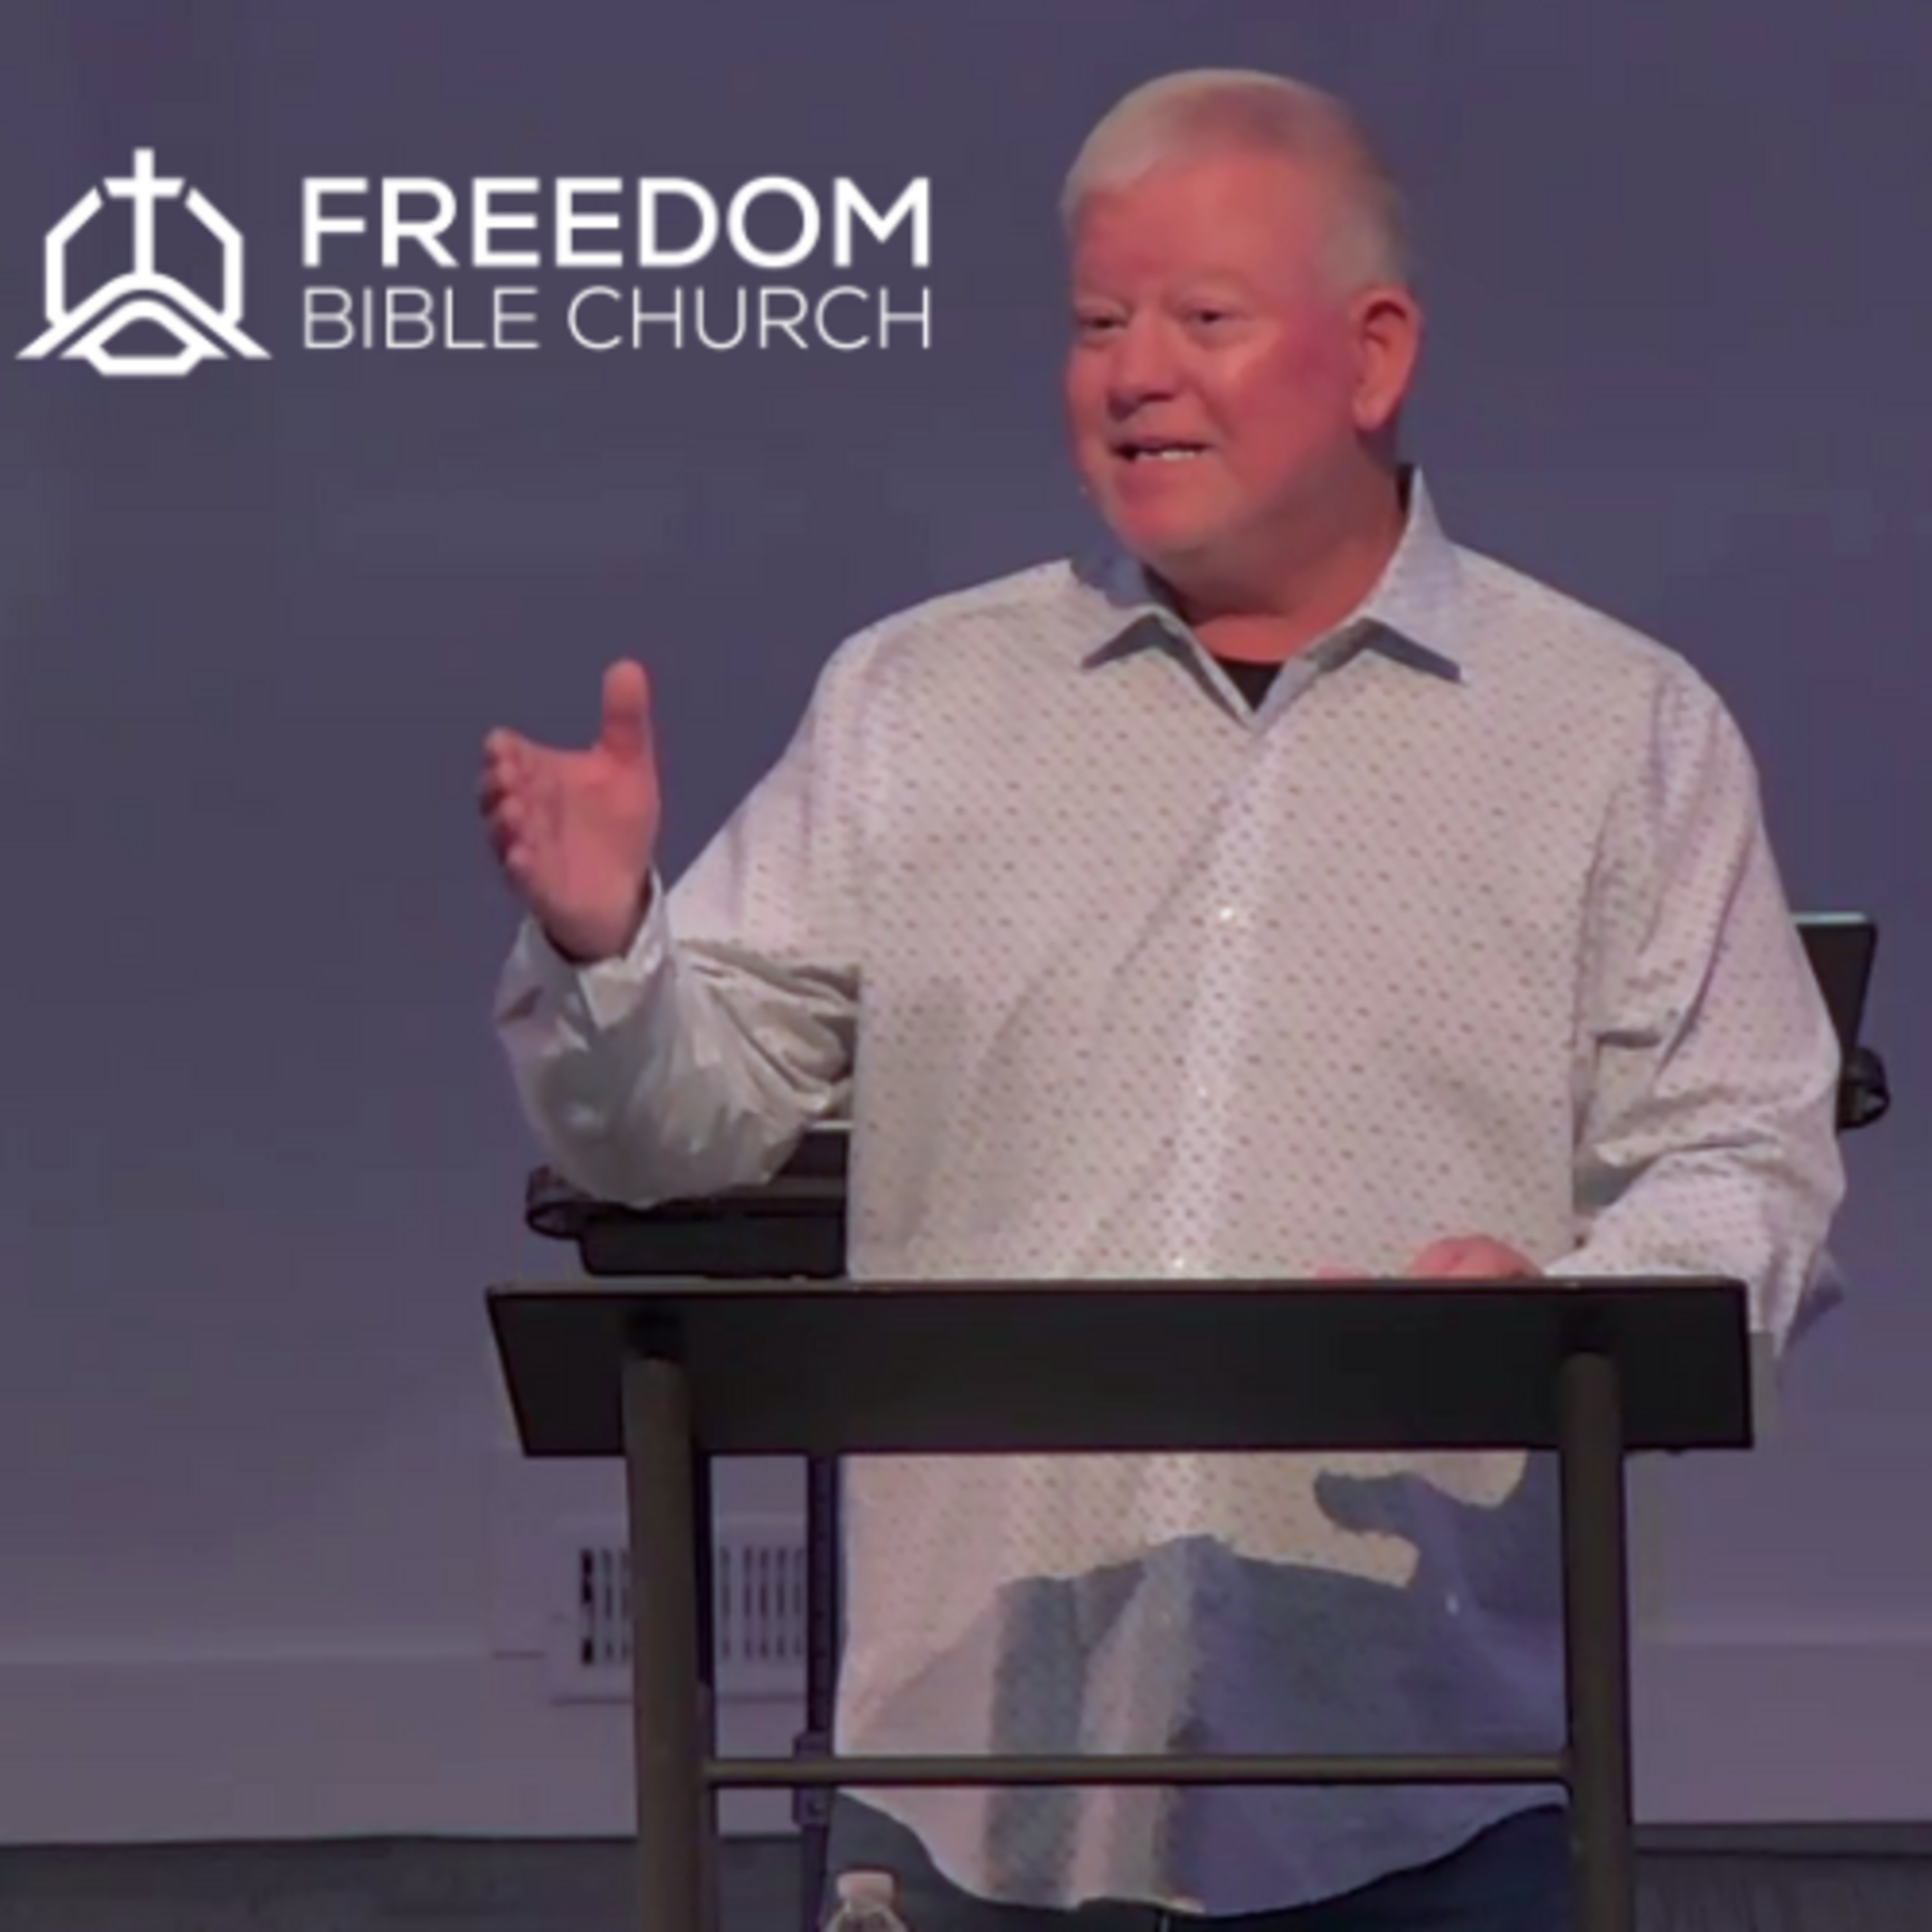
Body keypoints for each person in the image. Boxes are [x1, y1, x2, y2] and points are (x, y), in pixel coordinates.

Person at [480, 68, 1844, 1932]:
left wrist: (1567, 1309)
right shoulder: (914, 703)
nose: (1135, 376)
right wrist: (606, 946)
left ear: (1374, 357)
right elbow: (670, 1127)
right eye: (1097, 323)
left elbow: (1748, 1158)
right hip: (972, 1789)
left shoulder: (1616, 732)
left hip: (1418, 1788)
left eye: (1203, 318)